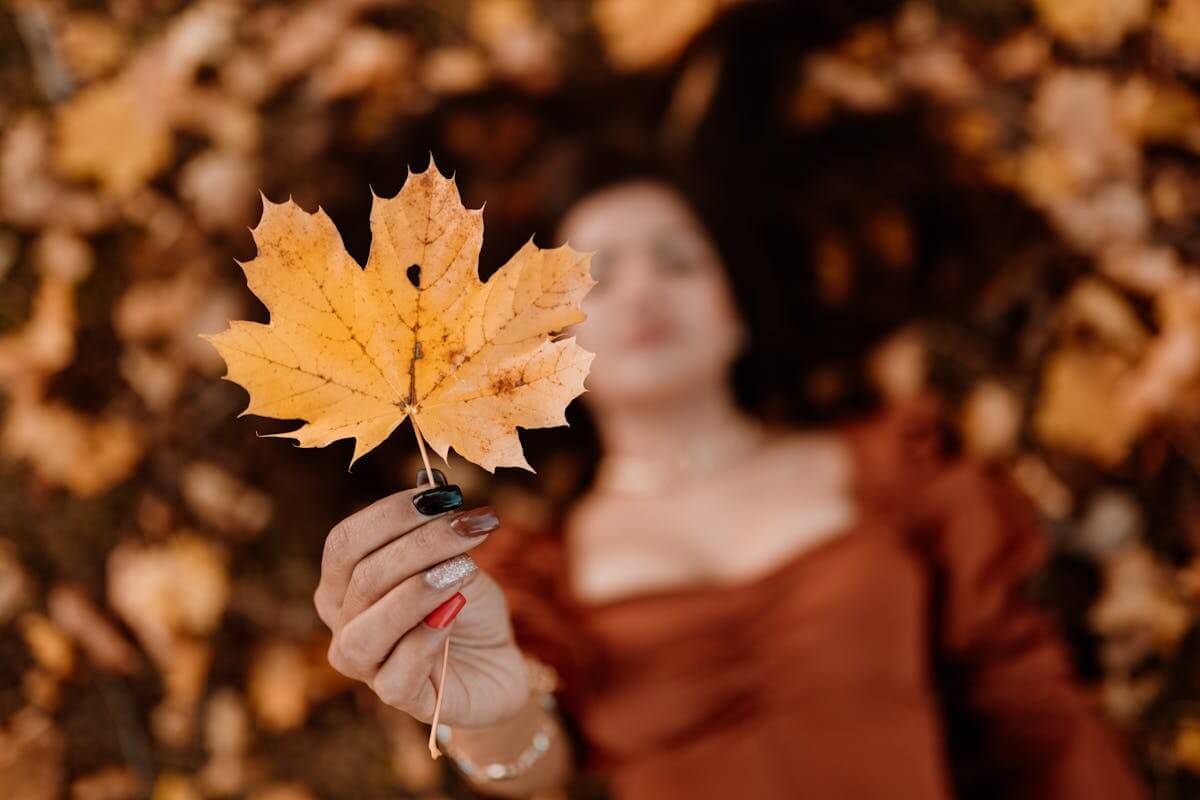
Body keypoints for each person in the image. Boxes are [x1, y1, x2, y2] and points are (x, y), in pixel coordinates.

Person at [312, 159, 1149, 799]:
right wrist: (488, 720)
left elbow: (1031, 709)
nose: (642, 288)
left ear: (735, 313)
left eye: (678, 261)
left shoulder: (896, 472)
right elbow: (538, 768)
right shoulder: (538, 573)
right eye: (596, 278)